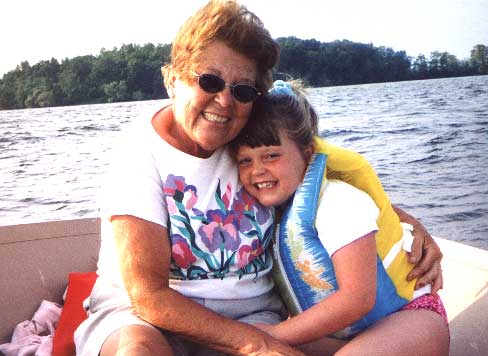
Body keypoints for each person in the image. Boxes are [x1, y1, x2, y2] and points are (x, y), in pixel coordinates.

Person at [74, 1, 443, 355]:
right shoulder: (138, 154)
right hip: (145, 318)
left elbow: (332, 188)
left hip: (254, 316)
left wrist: (409, 226)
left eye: (242, 90)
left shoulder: (256, 138)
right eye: (209, 81)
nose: (224, 101)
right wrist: (258, 345)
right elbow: (148, 296)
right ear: (172, 80)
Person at [230, 80, 450, 355]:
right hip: (344, 334)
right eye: (245, 161)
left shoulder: (338, 201)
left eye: (271, 155)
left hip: (410, 318)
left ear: (307, 153)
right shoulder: (271, 217)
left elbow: (357, 299)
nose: (257, 170)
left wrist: (274, 334)